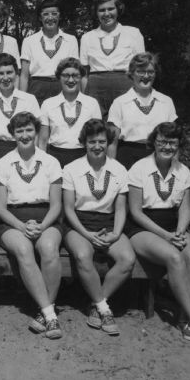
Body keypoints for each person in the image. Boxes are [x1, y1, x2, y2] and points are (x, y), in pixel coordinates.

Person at [127, 122, 190, 346]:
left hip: (174, 225)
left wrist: (179, 230)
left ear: (178, 145)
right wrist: (166, 236)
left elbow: (185, 208)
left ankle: (184, 319)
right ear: (154, 142)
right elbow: (135, 212)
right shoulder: (139, 168)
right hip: (144, 227)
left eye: (172, 143)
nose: (167, 146)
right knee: (174, 257)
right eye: (162, 142)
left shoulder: (183, 170)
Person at [62, 119, 135, 336]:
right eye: (92, 141)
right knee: (83, 255)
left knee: (128, 259)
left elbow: (121, 209)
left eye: (102, 141)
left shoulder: (119, 169)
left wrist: (115, 234)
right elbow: (68, 209)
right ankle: (105, 309)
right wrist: (87, 234)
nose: (97, 146)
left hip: (109, 223)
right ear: (84, 142)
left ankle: (96, 303)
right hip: (79, 224)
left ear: (108, 142)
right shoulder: (71, 169)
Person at [0, 112, 64, 339]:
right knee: (24, 250)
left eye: (29, 130)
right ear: (13, 134)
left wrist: (42, 226)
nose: (24, 135)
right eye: (19, 131)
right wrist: (22, 226)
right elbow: (0, 208)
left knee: (49, 249)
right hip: (12, 221)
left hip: (46, 218)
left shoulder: (51, 162)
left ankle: (46, 310)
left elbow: (56, 205)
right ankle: (50, 314)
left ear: (36, 132)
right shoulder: (3, 163)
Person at [80, 0, 145, 117]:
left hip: (125, 86)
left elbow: (141, 68)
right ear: (96, 13)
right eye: (101, 10)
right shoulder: (87, 37)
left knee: (126, 125)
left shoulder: (133, 33)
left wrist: (140, 93)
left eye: (111, 9)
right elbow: (83, 74)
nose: (106, 14)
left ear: (118, 9)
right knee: (97, 128)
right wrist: (85, 98)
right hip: (95, 90)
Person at [108, 53, 177, 169]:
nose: (146, 76)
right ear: (131, 73)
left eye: (150, 72)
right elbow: (112, 142)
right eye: (140, 71)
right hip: (127, 158)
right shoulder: (119, 103)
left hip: (159, 155)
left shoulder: (166, 101)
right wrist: (110, 170)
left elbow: (174, 139)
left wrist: (174, 168)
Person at [39, 58, 102, 167]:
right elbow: (43, 140)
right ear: (59, 77)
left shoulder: (92, 103)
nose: (71, 80)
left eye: (75, 75)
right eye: (66, 75)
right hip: (55, 157)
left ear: (81, 77)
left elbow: (97, 137)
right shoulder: (48, 104)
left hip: (83, 157)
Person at [0, 53, 40, 162]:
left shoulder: (29, 99)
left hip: (23, 149)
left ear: (16, 74)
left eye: (9, 72)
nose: (5, 78)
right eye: (0, 73)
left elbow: (37, 133)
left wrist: (33, 157)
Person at [19, 0, 79, 104]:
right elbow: (24, 75)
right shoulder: (29, 41)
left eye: (54, 14)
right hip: (36, 88)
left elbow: (75, 72)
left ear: (59, 16)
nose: (50, 18)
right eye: (46, 14)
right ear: (40, 17)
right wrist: (22, 100)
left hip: (62, 86)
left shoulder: (71, 40)